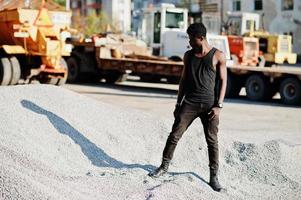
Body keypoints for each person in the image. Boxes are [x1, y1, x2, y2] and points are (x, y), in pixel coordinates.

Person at [148, 23, 227, 192]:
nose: (189, 42)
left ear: (201, 38)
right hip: (189, 103)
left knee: (212, 141)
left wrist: (218, 105)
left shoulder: (218, 56)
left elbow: (223, 81)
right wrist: (178, 103)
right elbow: (183, 80)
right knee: (175, 134)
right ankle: (164, 166)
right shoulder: (188, 56)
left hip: (210, 106)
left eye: (191, 39)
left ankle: (214, 176)